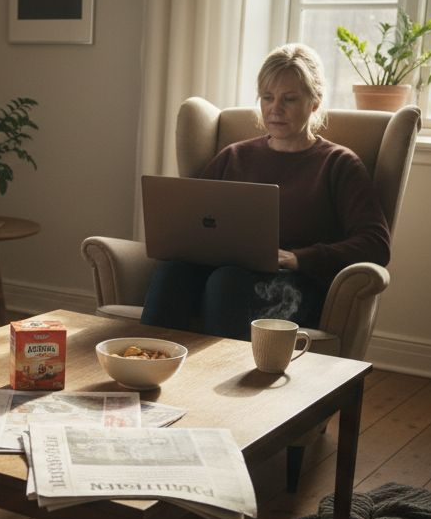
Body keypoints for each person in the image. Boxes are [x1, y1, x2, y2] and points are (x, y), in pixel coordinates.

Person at [140, 43, 391, 340]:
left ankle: (229, 370)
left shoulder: (338, 164)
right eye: (268, 97)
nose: (275, 108)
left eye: (289, 99)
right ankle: (143, 361)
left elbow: (376, 244)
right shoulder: (233, 157)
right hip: (222, 275)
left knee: (226, 281)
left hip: (293, 286)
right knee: (173, 273)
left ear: (315, 102)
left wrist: (299, 258)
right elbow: (192, 223)